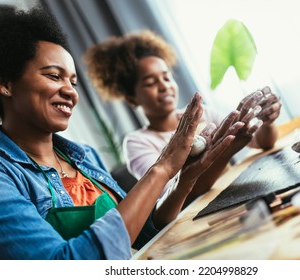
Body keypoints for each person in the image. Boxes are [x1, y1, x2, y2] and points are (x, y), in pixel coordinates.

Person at [0, 6, 246, 260]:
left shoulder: (85, 157)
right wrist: (163, 167)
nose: (71, 92)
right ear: (5, 83)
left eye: (73, 82)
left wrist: (184, 180)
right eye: (54, 76)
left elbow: (141, 234)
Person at [83, 30, 282, 205]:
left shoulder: (203, 113)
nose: (164, 86)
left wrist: (267, 121)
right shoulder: (138, 142)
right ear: (132, 99)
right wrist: (225, 150)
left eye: (166, 77)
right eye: (151, 82)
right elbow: (173, 193)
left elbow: (261, 142)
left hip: (236, 191)